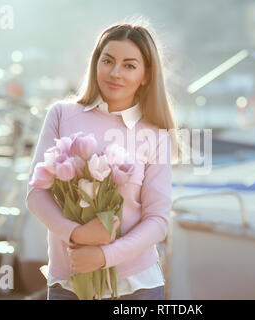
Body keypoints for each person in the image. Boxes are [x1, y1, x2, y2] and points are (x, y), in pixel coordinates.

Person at [25, 19, 180, 300]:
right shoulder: (61, 114)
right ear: (96, 62)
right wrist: (77, 235)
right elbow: (36, 194)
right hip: (68, 284)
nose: (115, 73)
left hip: (137, 287)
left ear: (146, 75)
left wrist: (104, 256)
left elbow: (157, 220)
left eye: (129, 65)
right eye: (107, 60)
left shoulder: (156, 135)